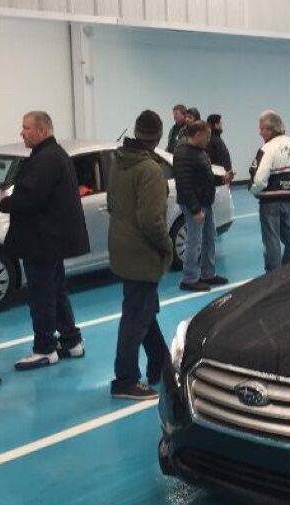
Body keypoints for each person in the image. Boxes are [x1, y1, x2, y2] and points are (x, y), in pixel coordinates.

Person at [0, 111, 90, 370]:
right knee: (57, 291)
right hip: (52, 240)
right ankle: (71, 341)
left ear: (42, 130)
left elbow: (31, 198)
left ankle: (44, 348)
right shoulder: (55, 155)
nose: (22, 132)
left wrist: (5, 203)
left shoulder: (44, 159)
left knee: (41, 296)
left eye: (26, 127)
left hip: (41, 241)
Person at [107, 110, 175, 400]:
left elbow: (112, 203)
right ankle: (125, 380)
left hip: (121, 246)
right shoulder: (150, 170)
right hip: (142, 250)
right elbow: (151, 219)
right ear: (158, 137)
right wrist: (167, 246)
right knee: (136, 318)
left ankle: (160, 364)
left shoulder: (118, 161)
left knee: (144, 309)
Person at [250, 110, 290, 272]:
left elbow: (260, 179)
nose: (260, 132)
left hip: (270, 201)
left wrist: (254, 190)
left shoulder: (267, 148)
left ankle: (273, 273)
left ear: (270, 129)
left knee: (271, 238)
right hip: (289, 198)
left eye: (261, 129)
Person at [174, 120, 227, 291]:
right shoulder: (183, 154)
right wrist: (195, 210)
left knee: (209, 238)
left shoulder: (199, 151)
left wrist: (222, 179)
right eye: (207, 136)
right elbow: (184, 184)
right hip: (195, 204)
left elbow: (205, 176)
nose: (209, 140)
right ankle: (189, 279)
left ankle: (208, 273)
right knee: (194, 241)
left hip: (205, 202)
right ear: (197, 135)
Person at [205, 113, 234, 183]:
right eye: (221, 123)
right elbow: (213, 161)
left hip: (221, 178)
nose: (222, 125)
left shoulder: (215, 139)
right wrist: (223, 174)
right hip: (219, 180)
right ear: (216, 125)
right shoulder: (213, 140)